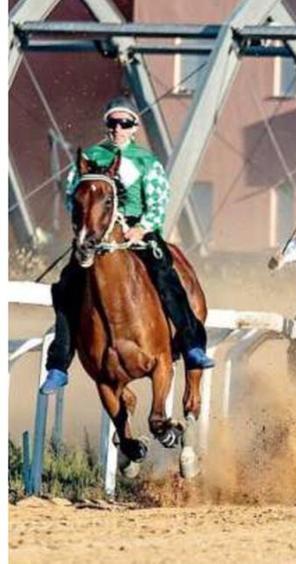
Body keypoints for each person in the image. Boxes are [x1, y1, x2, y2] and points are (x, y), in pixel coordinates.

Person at [40, 96, 214, 394]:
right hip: (96, 235)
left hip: (138, 234)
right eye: (113, 122)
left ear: (134, 127)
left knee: (167, 278)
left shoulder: (147, 161)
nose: (118, 128)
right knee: (66, 288)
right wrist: (87, 227)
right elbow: (73, 197)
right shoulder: (89, 157)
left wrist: (141, 228)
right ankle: (58, 365)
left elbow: (159, 201)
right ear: (106, 125)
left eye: (125, 123)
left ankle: (191, 345)